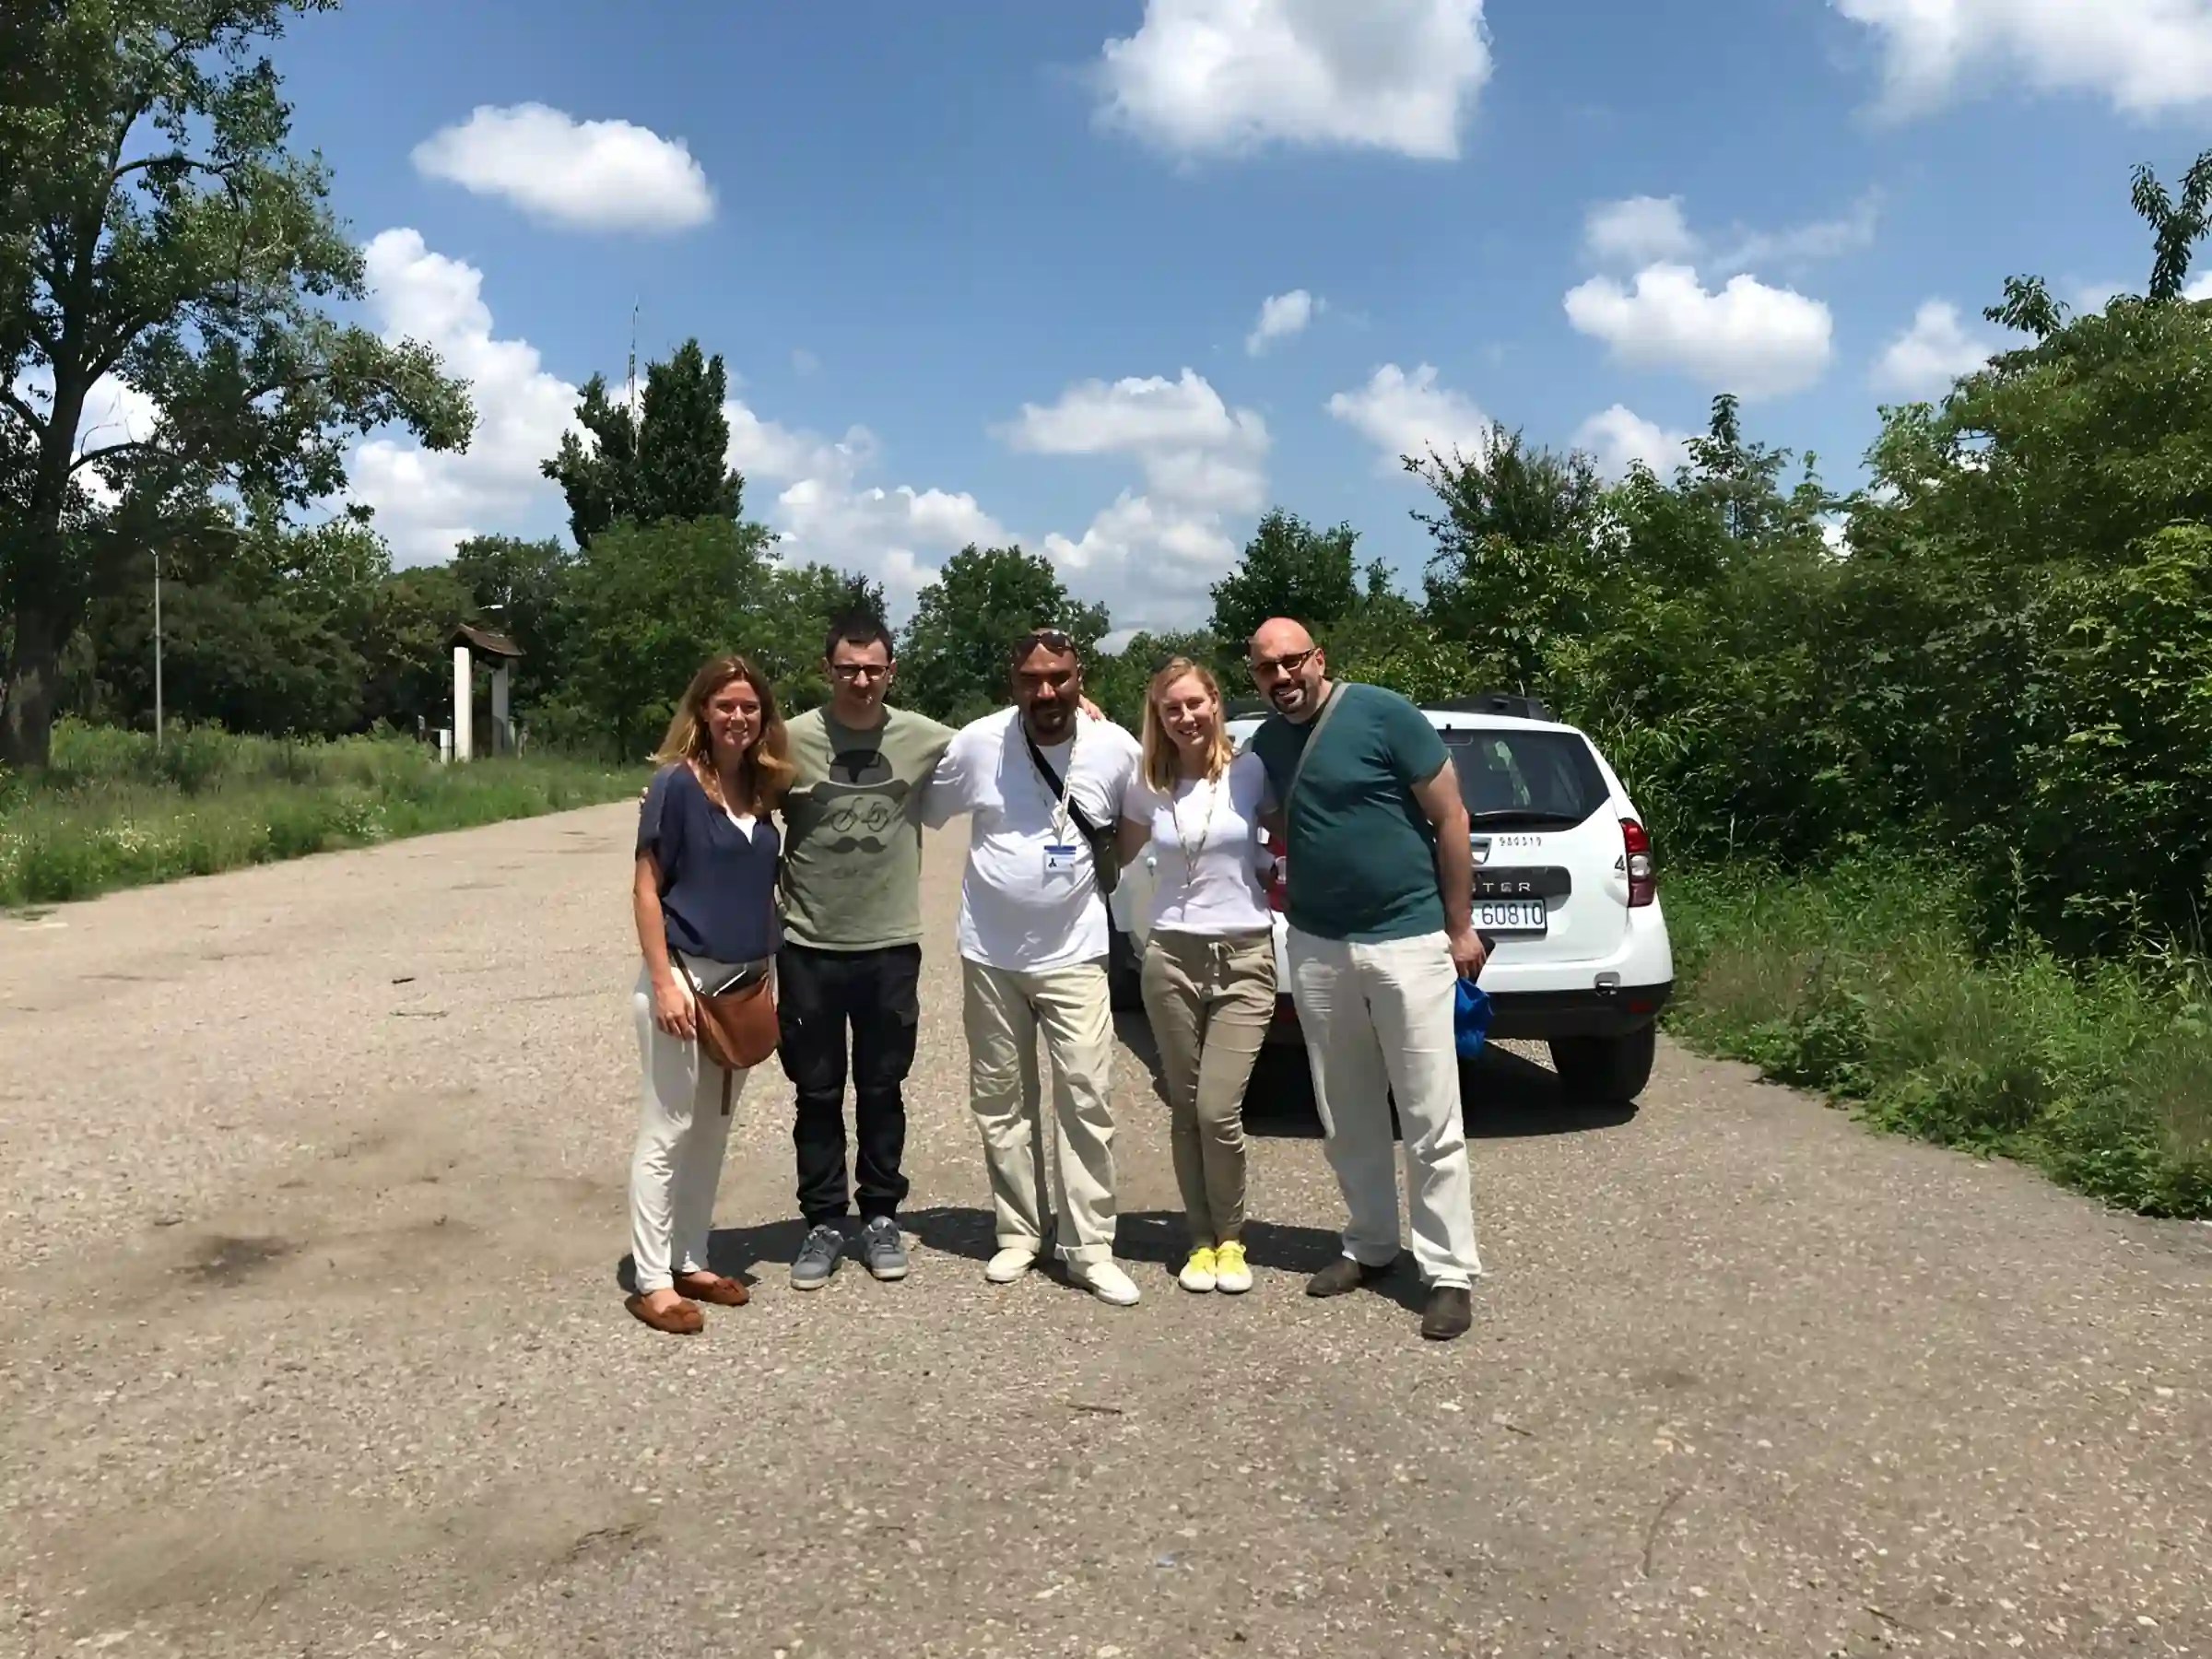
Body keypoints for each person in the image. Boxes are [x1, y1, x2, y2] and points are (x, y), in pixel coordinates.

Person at [1244, 618, 1487, 1342]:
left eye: (1293, 662)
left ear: (1319, 658)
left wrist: (1460, 926)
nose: (1283, 677)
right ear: (1254, 677)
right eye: (1266, 668)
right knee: (1346, 1110)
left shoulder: (1383, 714)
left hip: (1408, 938)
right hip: (1319, 945)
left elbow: (1451, 816)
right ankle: (1372, 1243)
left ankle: (1447, 1272)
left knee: (1429, 1114)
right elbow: (1195, 763)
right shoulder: (1267, 744)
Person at [923, 629, 1145, 1307]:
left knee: (1086, 1097)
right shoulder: (978, 743)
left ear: (1081, 678)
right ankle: (1019, 1231)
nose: (1046, 691)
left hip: (1076, 953)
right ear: (1012, 683)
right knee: (1001, 1100)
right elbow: (922, 805)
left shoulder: (1114, 747)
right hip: (990, 953)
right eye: (1031, 680)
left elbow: (1140, 822)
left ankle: (1089, 1247)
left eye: (1060, 677)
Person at [775, 609, 956, 1289]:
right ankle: (824, 1221)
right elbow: (728, 784)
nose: (861, 680)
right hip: (809, 944)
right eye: (848, 669)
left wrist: (1085, 714)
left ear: (891, 671)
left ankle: (880, 1215)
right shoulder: (788, 739)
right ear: (827, 670)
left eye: (873, 669)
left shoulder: (923, 737)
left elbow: (1005, 742)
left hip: (888, 945)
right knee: (816, 1092)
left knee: (883, 1088)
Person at [626, 654, 794, 1335]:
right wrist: (663, 981)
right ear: (702, 710)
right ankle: (651, 1280)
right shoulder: (675, 785)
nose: (738, 717)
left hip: (743, 987)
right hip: (684, 981)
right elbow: (646, 889)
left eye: (749, 706)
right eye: (725, 705)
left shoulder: (762, 789)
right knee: (667, 1129)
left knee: (712, 1131)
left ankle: (690, 1257)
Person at [1115, 658, 1275, 1296]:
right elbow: (1116, 858)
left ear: (1215, 703)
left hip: (1245, 955)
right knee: (1185, 1108)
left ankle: (1232, 1238)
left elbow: (1296, 832)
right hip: (1171, 957)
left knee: (1217, 1107)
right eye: (1171, 709)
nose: (1185, 717)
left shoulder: (1252, 771)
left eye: (1194, 703)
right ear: (1158, 718)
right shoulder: (1146, 786)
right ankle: (1200, 1240)